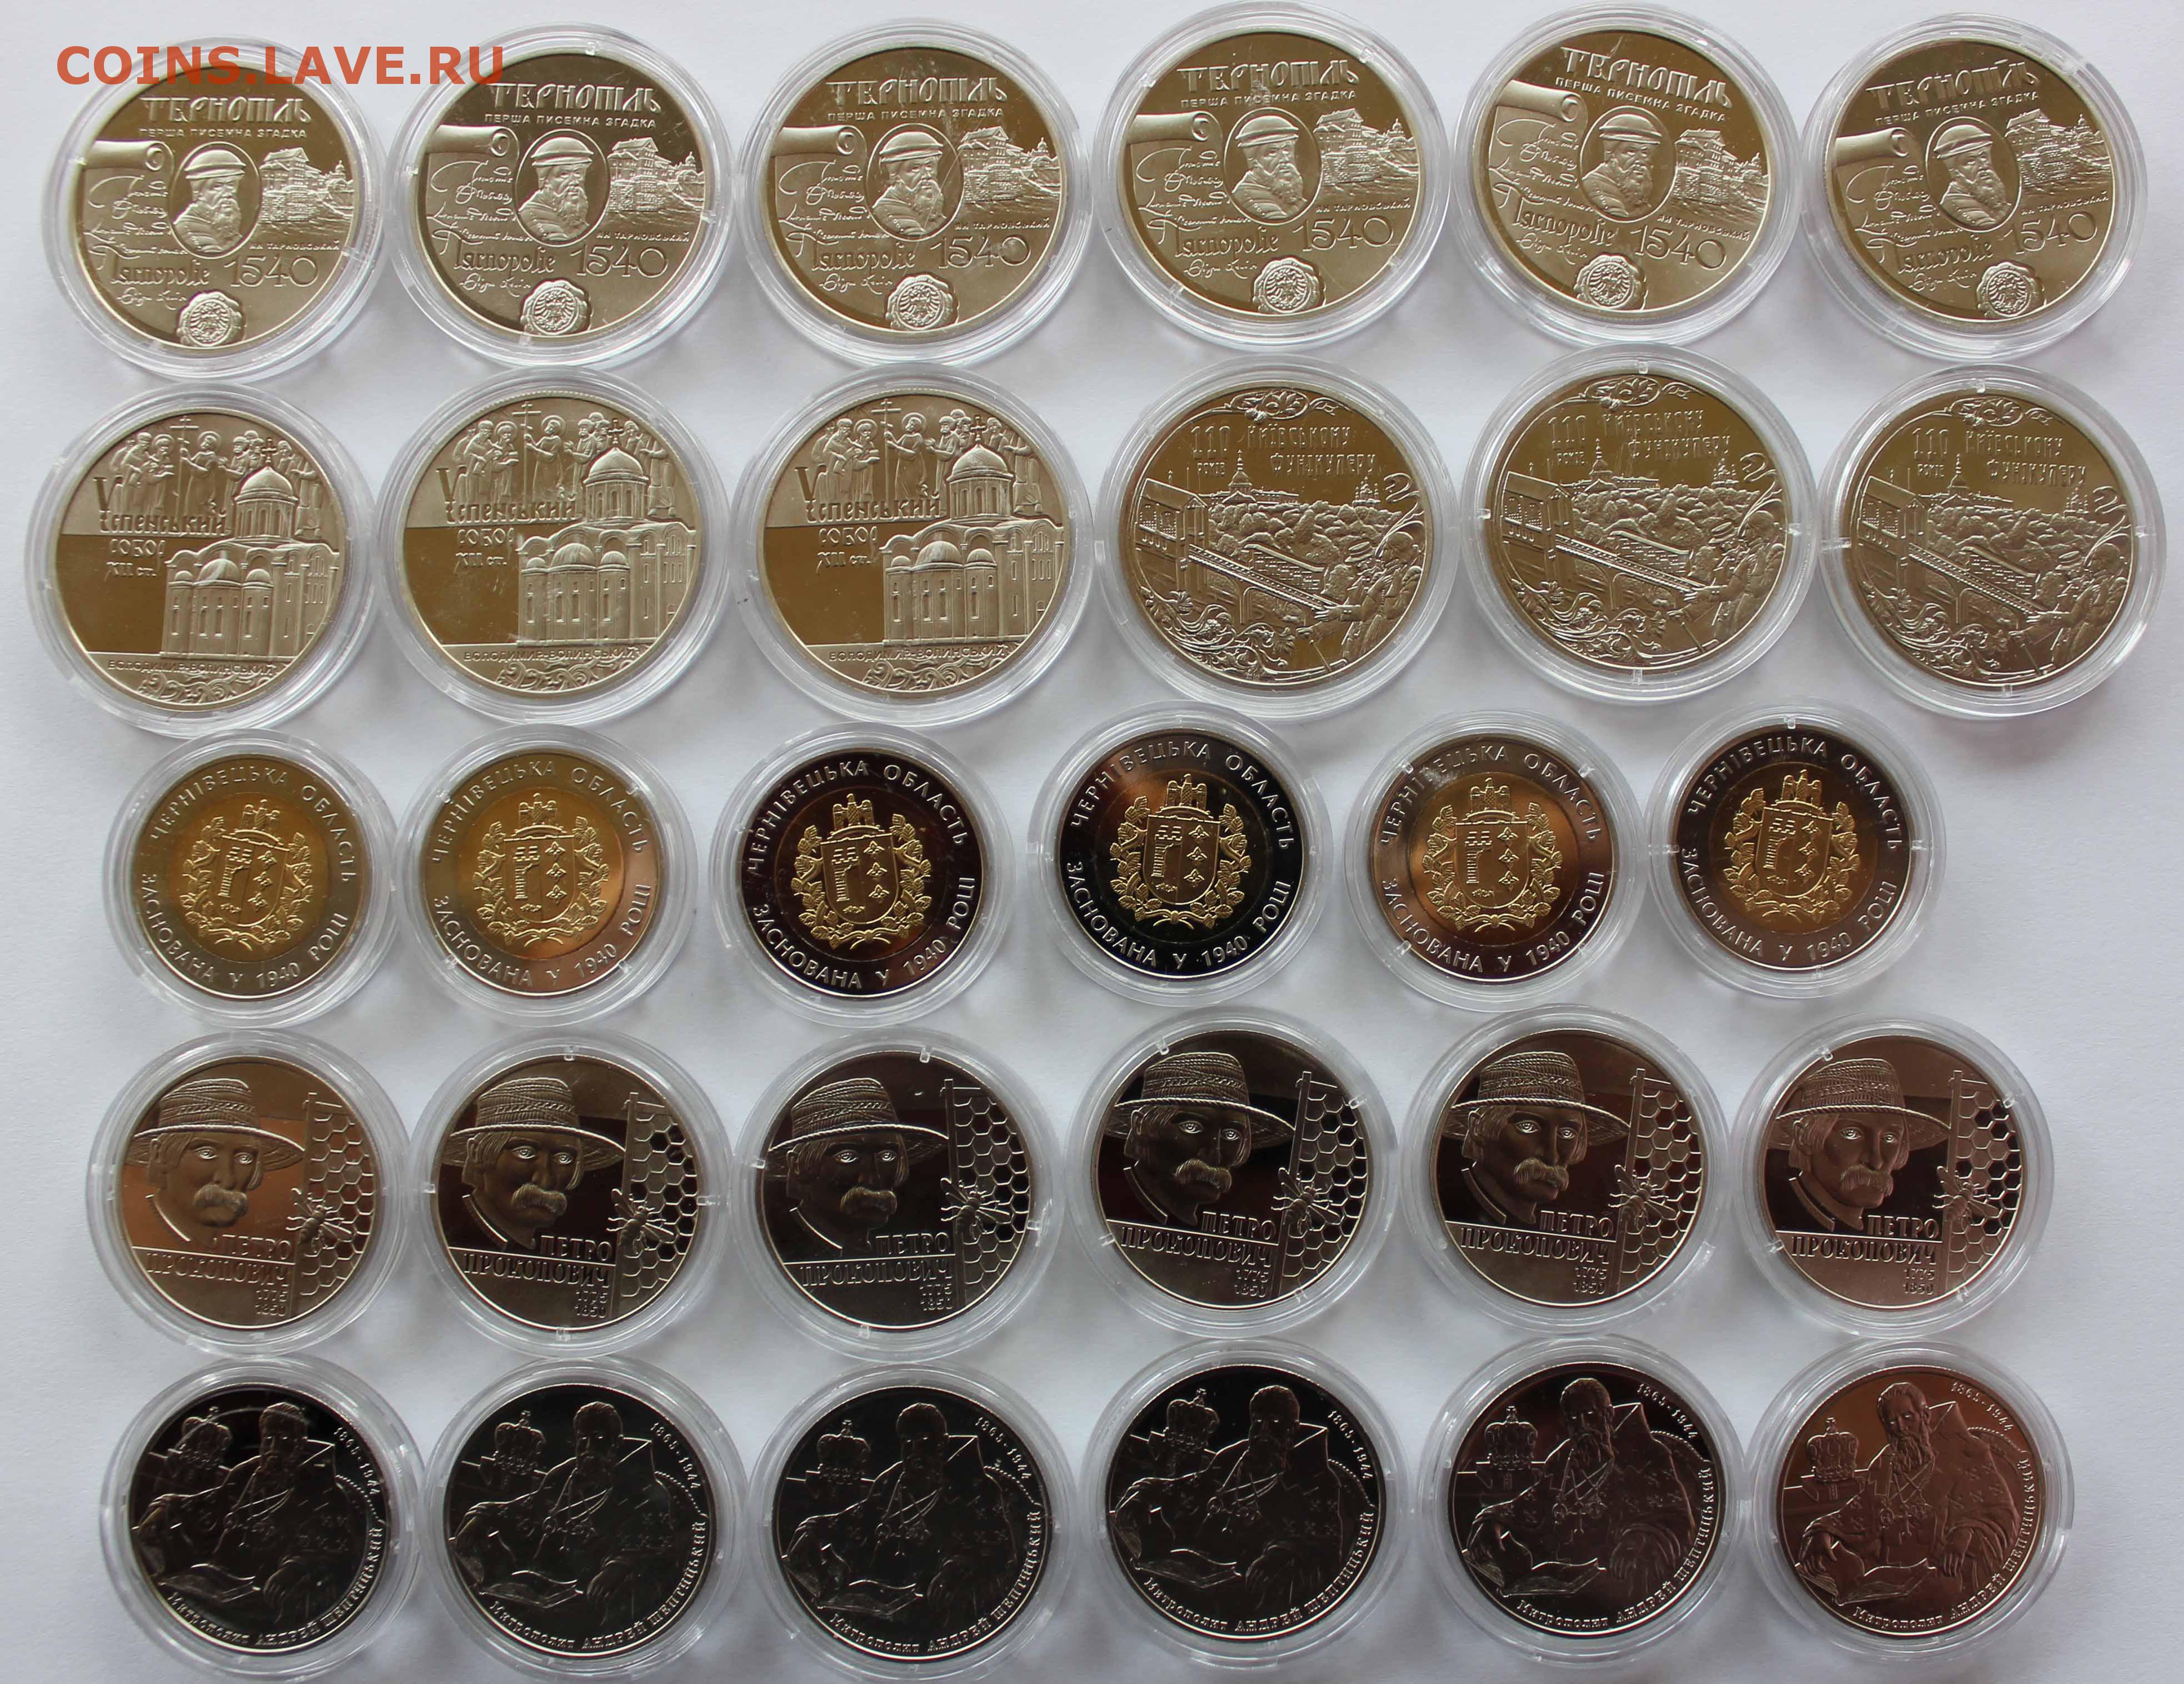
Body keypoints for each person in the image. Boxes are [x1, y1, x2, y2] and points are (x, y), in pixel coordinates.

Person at [1111, 1383, 1367, 1619]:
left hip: (1251, 1583)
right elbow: (1189, 1487)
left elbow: (1324, 1545)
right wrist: (1146, 1491)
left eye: (1275, 1422)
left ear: (1293, 1428)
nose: (1264, 1432)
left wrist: (1280, 1555)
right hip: (1203, 1569)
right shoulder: (1234, 1457)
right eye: (1258, 1422)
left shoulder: (1317, 1479)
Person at [451, 1398, 697, 1630]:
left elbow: (654, 1553)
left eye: (599, 1439)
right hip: (539, 1587)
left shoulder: (647, 1492)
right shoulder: (563, 1476)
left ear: (616, 1442)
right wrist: (483, 1515)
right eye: (583, 1439)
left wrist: (617, 1568)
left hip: (587, 1600)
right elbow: (526, 1508)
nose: (589, 1448)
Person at [784, 1401, 1033, 1628]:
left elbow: (999, 1553)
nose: (915, 1452)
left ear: (942, 1444)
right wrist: (817, 1527)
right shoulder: (892, 1479)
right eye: (908, 1443)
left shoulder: (976, 1488)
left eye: (924, 1442)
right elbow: (860, 1518)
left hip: (932, 1600)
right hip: (881, 1590)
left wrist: (958, 1568)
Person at [1462, 1377, 1703, 1602]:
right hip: (1561, 1573)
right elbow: (1532, 1503)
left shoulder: (1647, 1454)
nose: (1583, 1426)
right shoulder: (1562, 1458)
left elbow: (1674, 1517)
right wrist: (1493, 1520)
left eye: (1590, 1415)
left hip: (1611, 1578)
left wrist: (1640, 1540)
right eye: (1574, 1419)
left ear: (1608, 1415)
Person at [1796, 1378, 2020, 1603]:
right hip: (1890, 1577)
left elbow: (2000, 1513)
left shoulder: (1967, 1453)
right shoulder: (1884, 1464)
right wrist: (1822, 1531)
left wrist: (1965, 1534)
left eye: (1907, 1417)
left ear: (1924, 1415)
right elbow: (1860, 1512)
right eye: (1892, 1422)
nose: (1901, 1428)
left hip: (1944, 1574)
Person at [1443, 1049, 1627, 1227]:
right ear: (1478, 1128)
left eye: (1567, 1133)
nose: (1552, 1156)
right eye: (1528, 1127)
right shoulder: (1449, 1208)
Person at [1110, 1050, 1291, 1230]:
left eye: (1230, 1135)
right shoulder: (1112, 1199)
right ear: (1140, 1125)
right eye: (1191, 1127)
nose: (1215, 1155)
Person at [442, 1075, 625, 1251]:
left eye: (564, 1158)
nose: (546, 1180)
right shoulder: (452, 1233)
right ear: (477, 1154)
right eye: (525, 1153)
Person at [1767, 1057, 1947, 1233]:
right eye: (1852, 1134)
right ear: (1803, 1138)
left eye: (1889, 1138)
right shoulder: (1775, 1214)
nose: (1876, 1161)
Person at [767, 1077, 947, 1253]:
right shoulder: (776, 1243)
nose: (872, 1179)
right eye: (847, 1156)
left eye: (886, 1156)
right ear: (797, 1165)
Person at [127, 1077, 305, 1247]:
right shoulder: (133, 1229)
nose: (228, 1180)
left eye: (244, 1158)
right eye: (207, 1153)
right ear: (159, 1154)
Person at [1580, 109, 1666, 218]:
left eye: (1645, 153)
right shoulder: (1593, 187)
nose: (1639, 160)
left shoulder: (1637, 192)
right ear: (1611, 154)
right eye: (1631, 151)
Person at [869, 128, 950, 237]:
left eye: (929, 166)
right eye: (915, 168)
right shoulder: (885, 212)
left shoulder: (931, 212)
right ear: (895, 176)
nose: (927, 175)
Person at [1932, 121, 2012, 230]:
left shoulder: (1989, 199)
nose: (1983, 166)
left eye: (1983, 157)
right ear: (1954, 171)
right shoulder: (1955, 206)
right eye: (1970, 161)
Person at [1230, 111, 1310, 221]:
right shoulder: (1247, 196)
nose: (1284, 159)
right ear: (1253, 161)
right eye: (1273, 152)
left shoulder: (1286, 191)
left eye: (1287, 150)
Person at [517, 133, 596, 242]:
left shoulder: (572, 217)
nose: (574, 182)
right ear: (545, 180)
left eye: (578, 173)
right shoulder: (531, 217)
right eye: (564, 174)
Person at [173, 146, 250, 255]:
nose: (227, 193)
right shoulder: (188, 230)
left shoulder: (224, 226)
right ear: (198, 192)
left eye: (231, 185)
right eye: (217, 186)